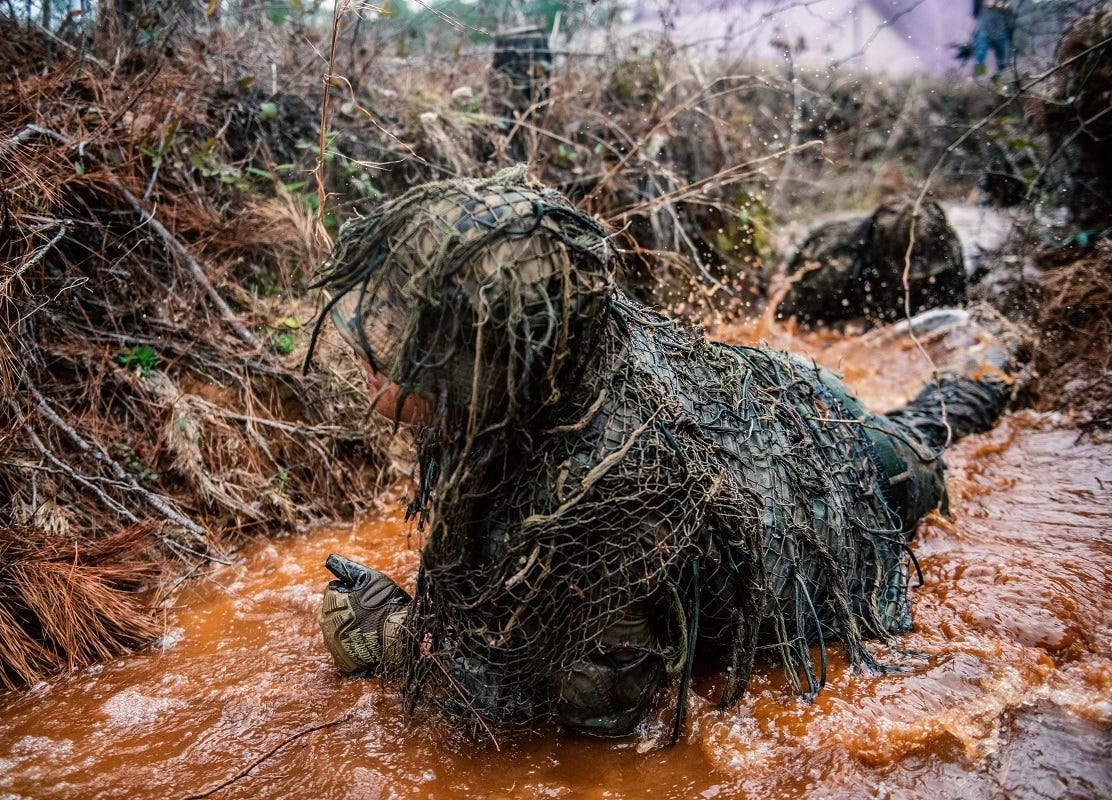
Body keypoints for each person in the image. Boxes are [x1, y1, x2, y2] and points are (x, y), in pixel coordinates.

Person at [310, 169, 1023, 740]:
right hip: (789, 432)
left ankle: (1005, 364)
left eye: (414, 335)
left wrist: (392, 638)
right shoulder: (561, 360)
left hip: (859, 479)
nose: (377, 348)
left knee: (935, 427)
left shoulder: (605, 494)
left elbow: (603, 701)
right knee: (922, 417)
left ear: (491, 356)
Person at [973, 0, 1016, 76]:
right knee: (980, 57)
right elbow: (975, 12)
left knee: (1003, 61)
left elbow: (1010, 9)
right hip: (984, 31)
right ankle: (979, 78)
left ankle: (1002, 80)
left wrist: (1003, 6)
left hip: (1000, 31)